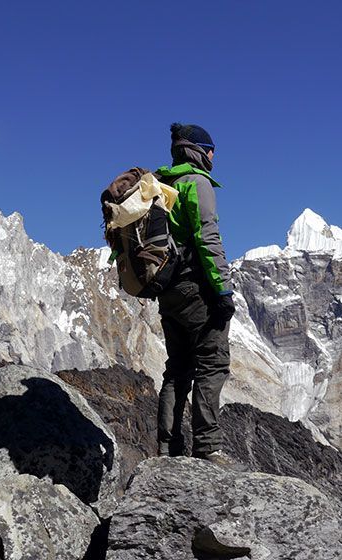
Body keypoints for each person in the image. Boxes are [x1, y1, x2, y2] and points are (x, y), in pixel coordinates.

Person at [154, 123, 237, 466]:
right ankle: (208, 447)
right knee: (212, 363)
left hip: (167, 289)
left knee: (178, 369)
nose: (215, 156)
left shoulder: (162, 186)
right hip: (195, 287)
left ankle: (166, 449)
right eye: (212, 150)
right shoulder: (196, 183)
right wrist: (222, 291)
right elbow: (207, 237)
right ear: (200, 151)